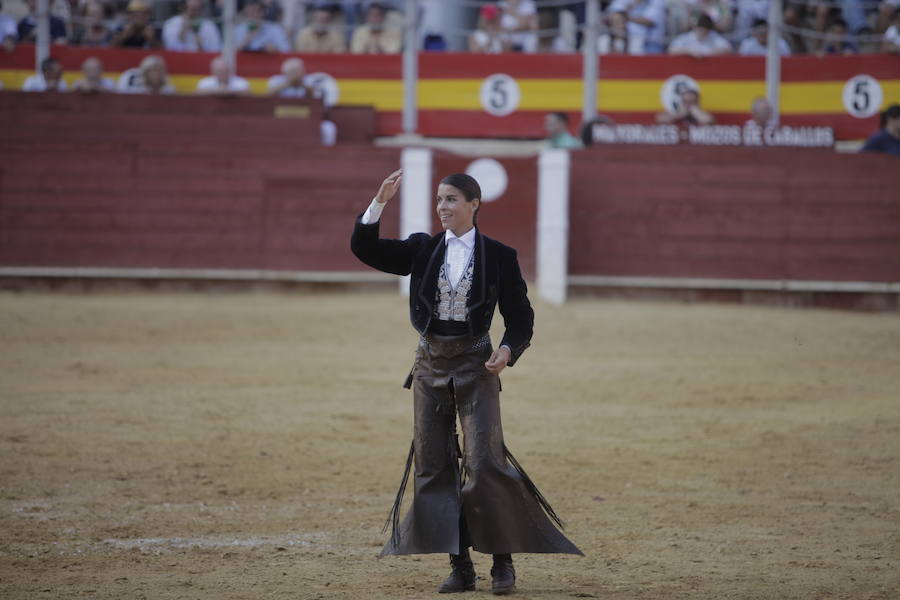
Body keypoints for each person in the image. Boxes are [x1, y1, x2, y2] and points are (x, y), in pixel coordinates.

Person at [350, 170, 582, 595]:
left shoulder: (499, 255)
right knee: (434, 466)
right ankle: (460, 566)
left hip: (477, 366)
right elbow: (364, 249)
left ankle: (502, 563)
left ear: (474, 204)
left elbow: (521, 316)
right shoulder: (422, 248)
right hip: (430, 366)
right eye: (439, 199)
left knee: (486, 464)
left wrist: (509, 350)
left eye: (451, 199)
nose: (442, 206)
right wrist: (379, 201)